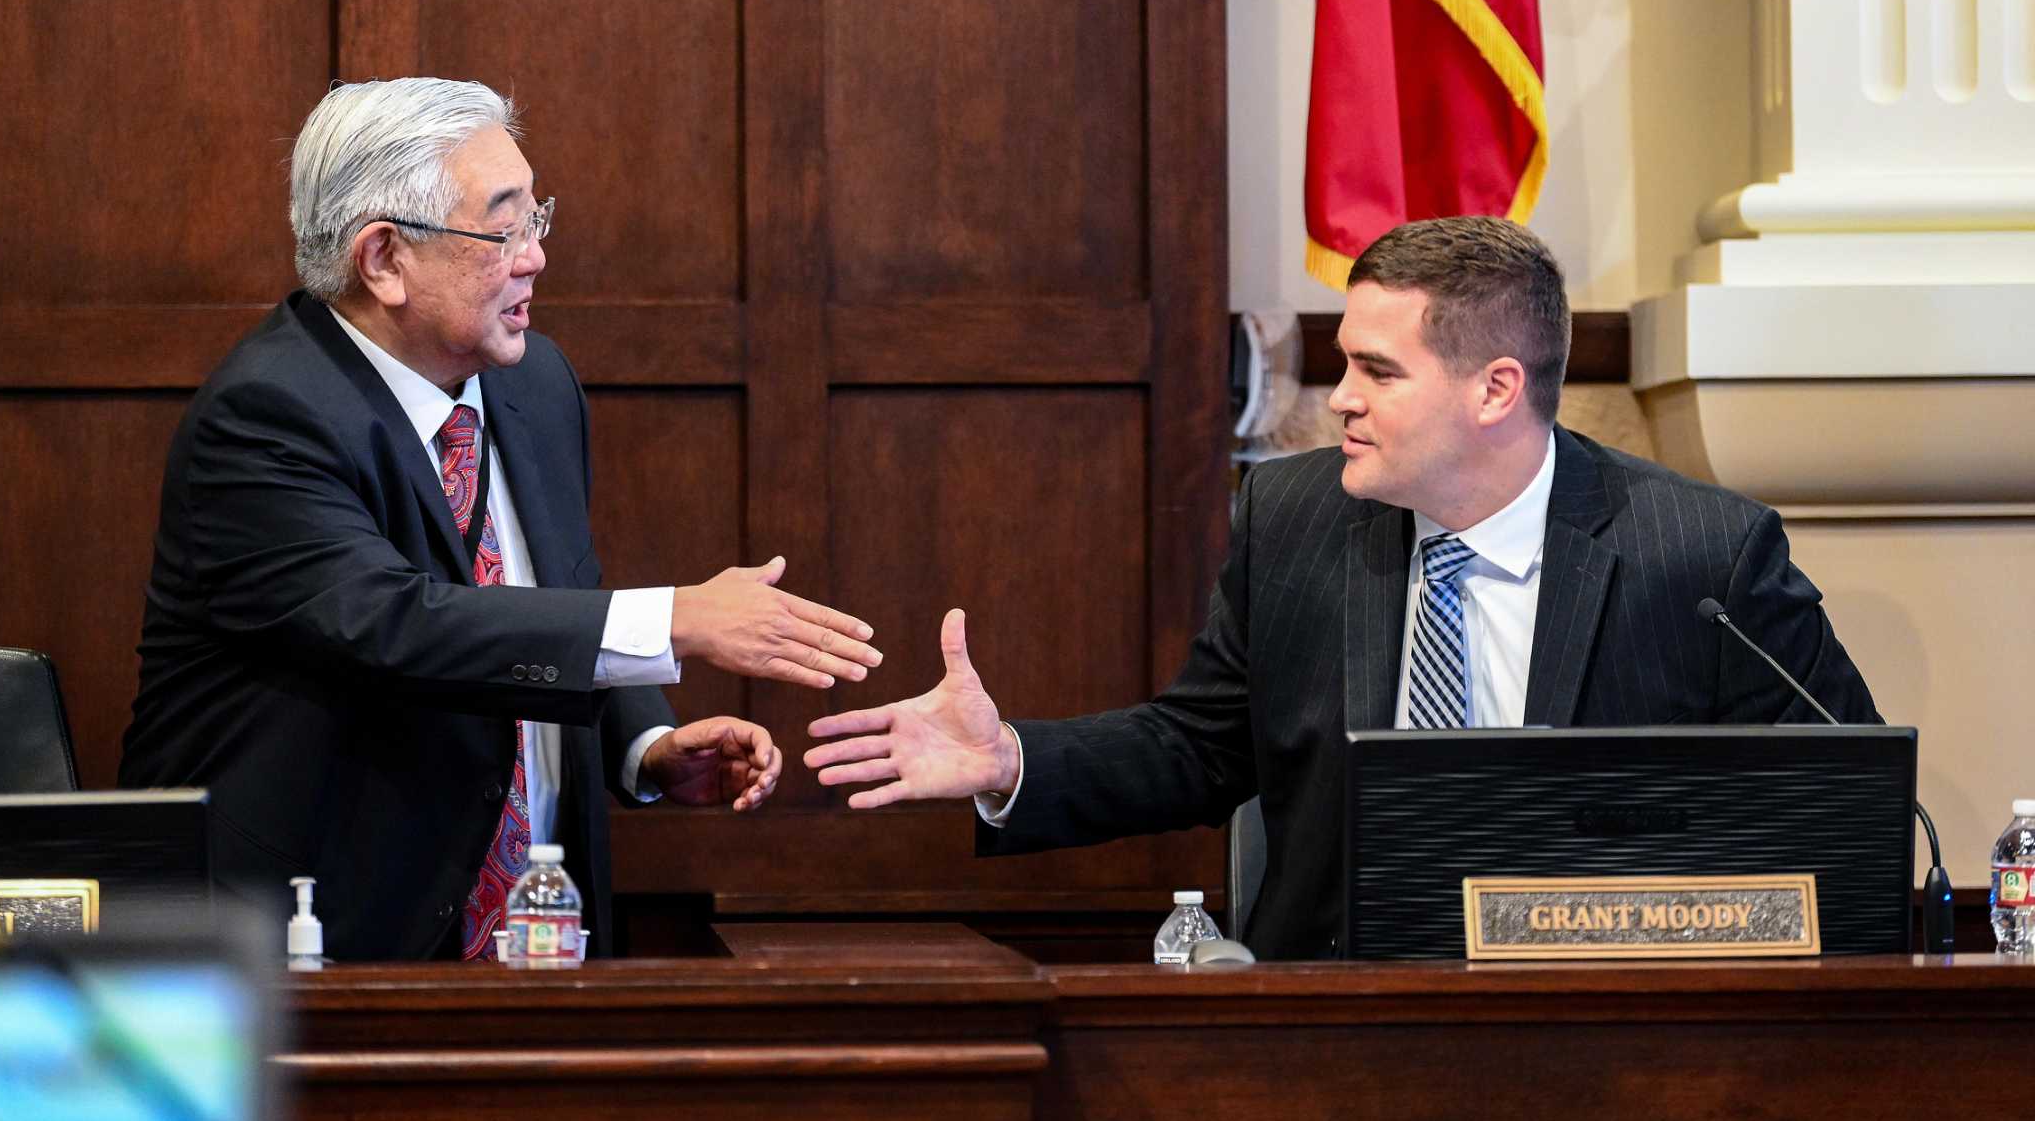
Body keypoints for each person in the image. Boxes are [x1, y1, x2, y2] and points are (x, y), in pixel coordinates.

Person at [804, 216, 1880, 960]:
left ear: (1495, 389)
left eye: (1377, 371)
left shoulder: (1699, 554)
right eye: (1340, 365)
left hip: (1598, 1018)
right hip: (1336, 1007)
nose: (1337, 403)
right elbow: (1199, 745)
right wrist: (1011, 762)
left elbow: (1836, 810)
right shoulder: (1298, 518)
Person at [122, 78, 881, 961]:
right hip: (321, 954)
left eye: (537, 220)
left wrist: (647, 743)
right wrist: (678, 617)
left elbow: (553, 595)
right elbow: (395, 624)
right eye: (504, 228)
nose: (535, 259)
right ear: (383, 259)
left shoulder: (533, 382)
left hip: (542, 940)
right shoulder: (263, 416)